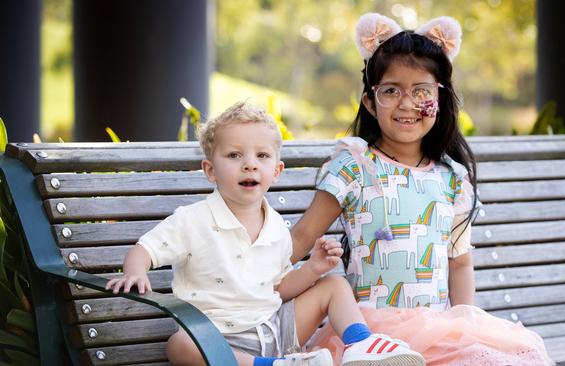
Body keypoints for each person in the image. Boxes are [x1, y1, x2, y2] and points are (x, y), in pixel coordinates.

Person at [290, 13, 555, 366]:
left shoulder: (451, 178)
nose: (406, 103)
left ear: (440, 99)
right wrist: (248, 273)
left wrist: (465, 329)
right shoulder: (354, 166)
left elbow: (459, 264)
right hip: (367, 330)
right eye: (391, 91)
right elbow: (304, 235)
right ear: (370, 102)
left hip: (436, 329)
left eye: (421, 92)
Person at [105, 101, 426, 366]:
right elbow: (145, 249)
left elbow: (279, 289)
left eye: (261, 156)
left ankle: (362, 346)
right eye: (234, 155)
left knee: (334, 285)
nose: (249, 165)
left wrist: (313, 268)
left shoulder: (275, 227)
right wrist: (136, 271)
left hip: (276, 328)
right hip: (218, 338)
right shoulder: (193, 220)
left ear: (276, 170)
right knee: (179, 346)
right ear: (210, 170)